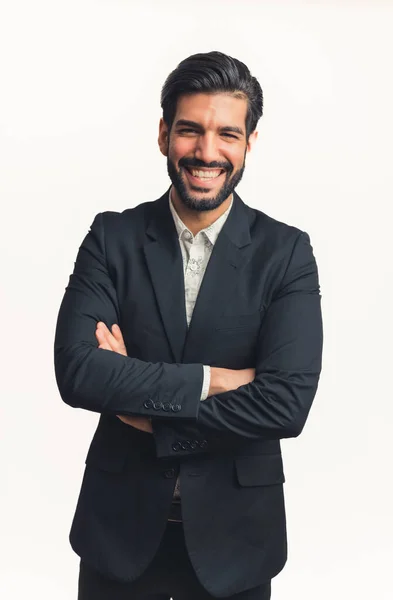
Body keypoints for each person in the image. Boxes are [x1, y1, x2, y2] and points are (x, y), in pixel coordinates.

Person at [54, 50, 323, 600]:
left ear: (249, 142)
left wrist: (148, 411)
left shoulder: (287, 253)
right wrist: (216, 379)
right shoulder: (112, 238)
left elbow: (287, 403)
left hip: (237, 541)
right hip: (119, 532)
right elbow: (79, 371)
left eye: (227, 133)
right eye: (189, 130)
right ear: (162, 135)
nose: (206, 152)